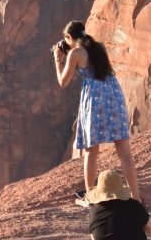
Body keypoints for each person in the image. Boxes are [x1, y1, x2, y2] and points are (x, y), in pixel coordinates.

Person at [53, 20, 141, 201]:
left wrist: (57, 59)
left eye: (66, 39)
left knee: (91, 151)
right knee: (124, 151)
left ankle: (91, 195)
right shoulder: (98, 48)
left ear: (69, 37)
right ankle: (136, 197)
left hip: (95, 99)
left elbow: (63, 81)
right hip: (114, 95)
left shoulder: (75, 53)